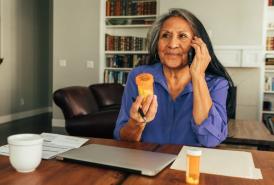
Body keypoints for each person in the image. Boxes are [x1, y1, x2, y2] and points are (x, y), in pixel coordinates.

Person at [113, 8, 235, 147]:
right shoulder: (140, 76)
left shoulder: (217, 84)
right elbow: (122, 137)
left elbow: (210, 140)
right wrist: (136, 123)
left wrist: (198, 76)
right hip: (146, 163)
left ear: (197, 45)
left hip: (189, 165)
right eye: (165, 35)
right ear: (157, 43)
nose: (172, 44)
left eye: (182, 36)